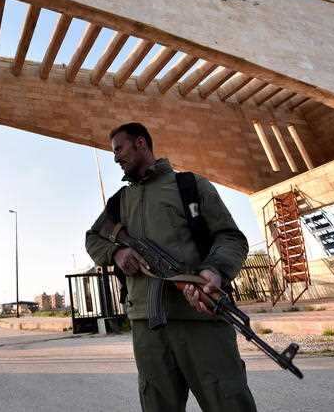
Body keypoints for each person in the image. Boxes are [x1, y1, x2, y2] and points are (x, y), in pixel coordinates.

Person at [85, 122, 256, 412]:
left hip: (201, 319)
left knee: (228, 401)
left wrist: (215, 270)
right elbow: (93, 238)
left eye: (119, 149)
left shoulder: (189, 186)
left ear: (141, 143)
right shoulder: (118, 202)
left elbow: (231, 238)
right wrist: (117, 253)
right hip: (147, 326)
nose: (115, 158)